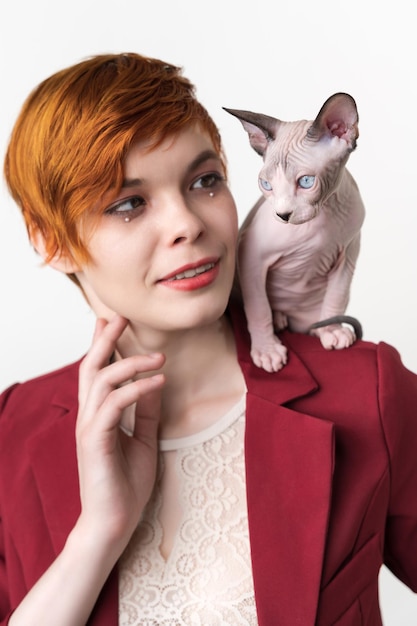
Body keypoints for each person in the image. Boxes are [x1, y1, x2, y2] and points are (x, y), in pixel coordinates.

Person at [0, 52, 416, 626]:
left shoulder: (366, 393)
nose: (188, 224)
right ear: (52, 241)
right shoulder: (11, 434)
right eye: (129, 203)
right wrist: (96, 537)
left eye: (204, 180)